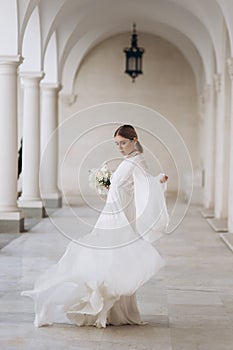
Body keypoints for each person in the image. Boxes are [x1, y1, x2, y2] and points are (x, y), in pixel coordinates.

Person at [21, 124, 169, 328]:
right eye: (117, 144)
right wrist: (107, 185)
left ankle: (112, 311)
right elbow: (123, 187)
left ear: (134, 140)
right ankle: (101, 309)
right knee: (99, 257)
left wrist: (159, 180)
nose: (120, 147)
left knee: (113, 260)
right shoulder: (127, 161)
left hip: (121, 219)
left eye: (123, 143)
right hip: (110, 215)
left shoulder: (137, 161)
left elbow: (146, 183)